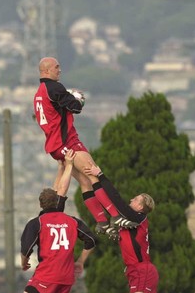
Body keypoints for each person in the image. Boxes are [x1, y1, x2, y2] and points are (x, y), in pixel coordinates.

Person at [33, 56, 137, 237]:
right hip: (66, 143)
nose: (60, 70)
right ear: (47, 70)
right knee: (93, 173)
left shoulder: (39, 93)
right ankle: (114, 216)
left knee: (85, 181)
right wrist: (79, 98)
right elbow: (76, 107)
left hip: (56, 146)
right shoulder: (54, 88)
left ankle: (101, 221)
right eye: (57, 67)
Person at [10, 150, 97, 293]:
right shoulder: (72, 221)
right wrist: (80, 261)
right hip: (66, 278)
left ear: (41, 204)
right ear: (58, 203)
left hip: (47, 274)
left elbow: (25, 250)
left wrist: (24, 263)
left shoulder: (37, 223)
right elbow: (91, 240)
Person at [84, 162, 169, 293]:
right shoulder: (131, 221)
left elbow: (115, 200)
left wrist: (100, 175)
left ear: (140, 206)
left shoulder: (137, 217)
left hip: (141, 271)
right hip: (143, 270)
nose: (132, 199)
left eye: (136, 199)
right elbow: (111, 211)